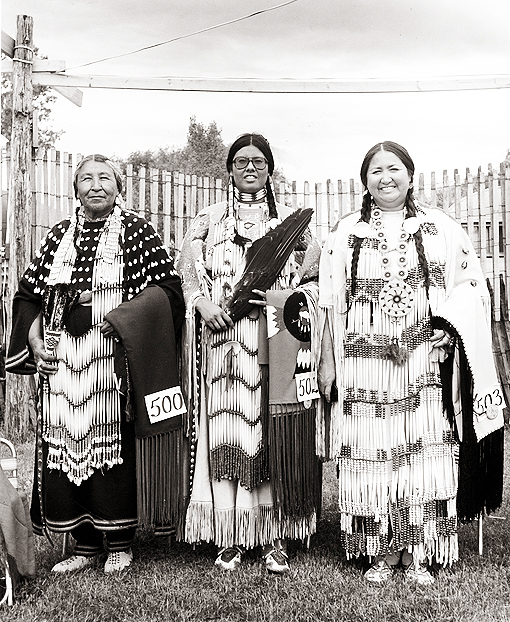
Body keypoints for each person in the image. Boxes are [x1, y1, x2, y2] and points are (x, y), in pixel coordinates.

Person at [318, 141, 504, 585]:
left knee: (422, 448)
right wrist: (327, 363)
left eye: (394, 168)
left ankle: (421, 549)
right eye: (376, 170)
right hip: (365, 363)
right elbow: (328, 304)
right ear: (365, 180)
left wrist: (448, 324)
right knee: (372, 448)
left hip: (423, 356)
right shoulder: (345, 234)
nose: (386, 177)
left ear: (410, 174)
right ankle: (381, 550)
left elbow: (472, 286)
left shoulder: (442, 228)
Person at [6, 154, 185, 574]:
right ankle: (83, 546)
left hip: (112, 364)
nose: (96, 185)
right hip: (62, 362)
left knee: (110, 445)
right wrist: (34, 341)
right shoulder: (58, 236)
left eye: (105, 177)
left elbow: (168, 292)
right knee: (66, 444)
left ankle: (120, 542)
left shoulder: (137, 232)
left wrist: (120, 318)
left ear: (119, 186)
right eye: (86, 178)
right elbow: (29, 294)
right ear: (75, 190)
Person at [177, 133, 322, 573]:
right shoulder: (208, 219)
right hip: (222, 345)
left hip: (275, 344)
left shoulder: (295, 227)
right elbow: (186, 271)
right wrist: (201, 304)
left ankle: (274, 533)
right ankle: (231, 534)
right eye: (241, 160)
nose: (250, 167)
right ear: (229, 168)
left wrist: (285, 300)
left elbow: (316, 281)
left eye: (259, 161)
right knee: (228, 435)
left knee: (271, 435)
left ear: (270, 168)